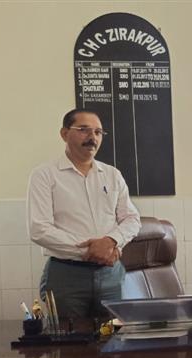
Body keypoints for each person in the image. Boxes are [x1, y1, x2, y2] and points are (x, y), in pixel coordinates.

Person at [27, 108, 141, 320]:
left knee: (116, 334)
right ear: (64, 134)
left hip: (111, 274)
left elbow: (132, 219)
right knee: (69, 337)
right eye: (84, 130)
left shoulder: (112, 174)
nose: (92, 137)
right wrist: (92, 250)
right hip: (66, 275)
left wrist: (111, 241)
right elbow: (39, 229)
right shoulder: (44, 175)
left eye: (98, 132)